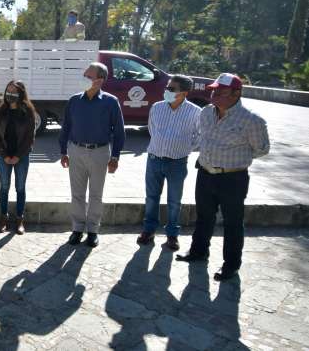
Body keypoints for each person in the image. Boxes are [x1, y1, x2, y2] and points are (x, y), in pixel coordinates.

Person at [176, 73, 270, 282]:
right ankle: (198, 252)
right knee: (203, 217)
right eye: (213, 90)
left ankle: (231, 265)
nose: (214, 95)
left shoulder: (251, 120)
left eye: (220, 91)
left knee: (233, 223)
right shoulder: (206, 113)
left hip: (233, 179)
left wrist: (237, 159)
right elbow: (203, 138)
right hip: (205, 174)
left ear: (237, 93)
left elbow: (262, 149)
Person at [58, 62, 125, 248]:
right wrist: (63, 151)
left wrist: (115, 157)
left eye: (88, 76)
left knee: (96, 194)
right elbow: (66, 127)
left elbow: (119, 131)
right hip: (76, 150)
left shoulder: (111, 102)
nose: (84, 78)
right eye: (84, 75)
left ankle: (93, 230)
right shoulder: (74, 100)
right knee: (77, 194)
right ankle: (77, 229)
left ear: (99, 80)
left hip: (100, 152)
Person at [137, 75, 202, 250]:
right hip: (154, 160)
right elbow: (152, 129)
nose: (167, 91)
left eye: (172, 89)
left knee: (174, 201)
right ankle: (149, 230)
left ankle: (172, 235)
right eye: (167, 87)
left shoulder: (195, 112)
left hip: (177, 163)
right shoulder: (157, 108)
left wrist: (186, 148)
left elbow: (200, 136)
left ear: (184, 92)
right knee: (151, 198)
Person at [0, 80, 37, 235]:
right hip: (3, 156)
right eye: (8, 90)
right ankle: (3, 217)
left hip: (21, 157)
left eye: (14, 91)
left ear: (21, 93)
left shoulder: (28, 111)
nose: (10, 94)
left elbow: (30, 137)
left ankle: (19, 219)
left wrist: (18, 156)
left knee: (20, 188)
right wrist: (4, 155)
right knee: (4, 187)